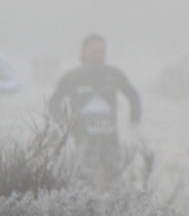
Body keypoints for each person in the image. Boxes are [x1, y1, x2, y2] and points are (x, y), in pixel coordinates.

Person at [48, 34, 142, 179]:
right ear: (83, 52)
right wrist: (63, 123)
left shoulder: (113, 74)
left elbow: (133, 96)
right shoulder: (72, 77)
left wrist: (134, 120)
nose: (99, 55)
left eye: (102, 51)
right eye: (94, 51)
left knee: (113, 181)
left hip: (110, 141)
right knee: (82, 182)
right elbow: (54, 102)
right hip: (81, 141)